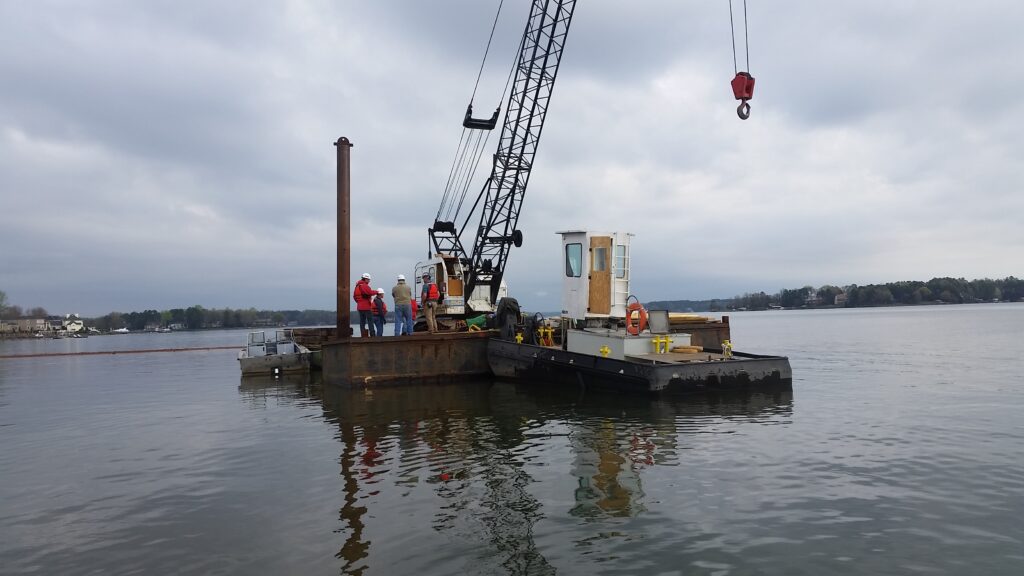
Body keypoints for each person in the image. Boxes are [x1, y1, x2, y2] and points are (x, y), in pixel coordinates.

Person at [353, 272, 376, 337]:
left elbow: (354, 297)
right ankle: (372, 335)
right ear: (365, 279)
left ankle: (363, 334)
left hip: (359, 307)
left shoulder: (357, 286)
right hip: (366, 307)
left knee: (362, 322)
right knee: (370, 321)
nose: (369, 281)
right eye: (368, 279)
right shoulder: (364, 285)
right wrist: (376, 292)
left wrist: (359, 302)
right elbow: (370, 292)